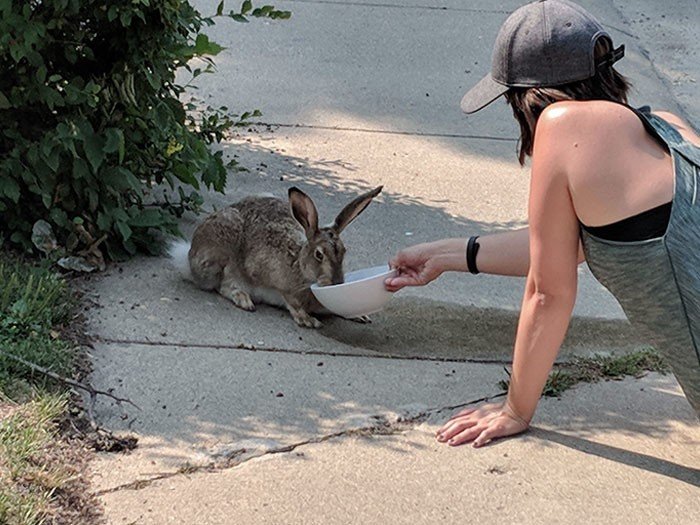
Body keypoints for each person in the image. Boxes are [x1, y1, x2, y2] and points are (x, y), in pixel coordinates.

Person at [385, 0, 700, 448]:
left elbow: (548, 292)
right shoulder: (668, 130)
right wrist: (448, 255)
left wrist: (515, 409)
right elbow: (574, 246)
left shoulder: (561, 122)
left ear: (528, 98)